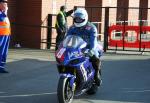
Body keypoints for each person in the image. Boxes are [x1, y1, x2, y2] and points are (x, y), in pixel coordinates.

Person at [66, 8, 102, 86]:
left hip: (89, 47)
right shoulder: (72, 28)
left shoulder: (91, 28)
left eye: (80, 18)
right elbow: (67, 39)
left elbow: (93, 41)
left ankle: (97, 74)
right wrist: (62, 46)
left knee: (95, 56)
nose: (78, 20)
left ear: (85, 18)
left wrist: (91, 50)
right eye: (76, 18)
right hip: (77, 47)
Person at [0, 0, 11, 73]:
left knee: (4, 52)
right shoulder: (1, 13)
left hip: (6, 35)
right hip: (1, 36)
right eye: (5, 4)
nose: (6, 6)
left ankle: (1, 67)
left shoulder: (4, 13)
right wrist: (5, 12)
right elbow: (2, 19)